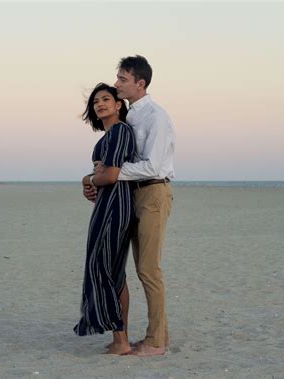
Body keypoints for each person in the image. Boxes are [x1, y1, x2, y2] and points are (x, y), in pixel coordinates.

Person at [84, 55, 175, 356]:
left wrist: (108, 176)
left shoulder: (156, 117)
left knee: (149, 269)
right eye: (118, 78)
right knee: (135, 268)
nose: (118, 83)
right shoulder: (131, 116)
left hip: (152, 193)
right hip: (131, 195)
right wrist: (99, 176)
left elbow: (152, 166)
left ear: (140, 83)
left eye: (123, 80)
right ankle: (157, 334)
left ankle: (156, 342)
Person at [74, 83, 136, 356]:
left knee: (106, 269)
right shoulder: (106, 137)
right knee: (112, 271)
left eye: (106, 99)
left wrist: (88, 179)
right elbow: (103, 177)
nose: (100, 104)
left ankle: (122, 341)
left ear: (118, 104)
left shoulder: (121, 131)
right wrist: (92, 185)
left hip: (117, 206)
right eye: (96, 101)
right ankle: (119, 337)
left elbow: (110, 176)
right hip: (105, 204)